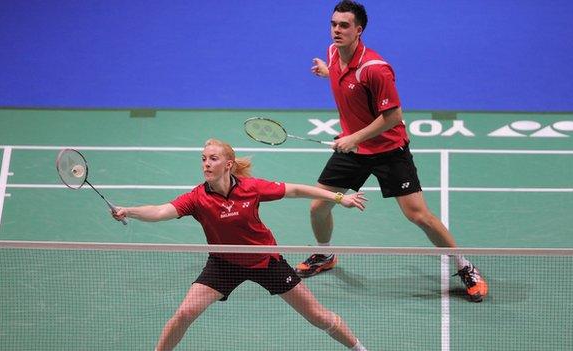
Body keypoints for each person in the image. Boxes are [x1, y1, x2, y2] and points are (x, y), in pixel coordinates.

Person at [294, 0, 488, 303]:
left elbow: (394, 117)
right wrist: (326, 71)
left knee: (419, 216)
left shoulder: (375, 69)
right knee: (319, 206)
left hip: (388, 150)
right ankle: (325, 253)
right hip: (355, 148)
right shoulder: (333, 53)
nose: (336, 30)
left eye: (344, 25)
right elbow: (341, 76)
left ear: (359, 30)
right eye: (333, 24)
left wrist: (353, 137)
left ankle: (465, 267)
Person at [112, 139, 369, 351]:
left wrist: (338, 197)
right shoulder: (197, 198)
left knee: (317, 315)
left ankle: (360, 349)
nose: (206, 164)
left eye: (213, 158)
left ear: (228, 164)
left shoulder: (251, 188)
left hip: (266, 261)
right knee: (184, 313)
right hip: (224, 264)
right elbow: (159, 211)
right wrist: (129, 211)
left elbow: (295, 190)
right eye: (203, 158)